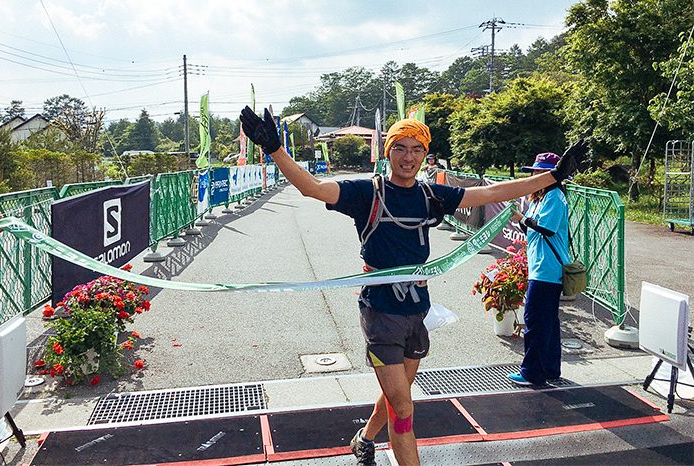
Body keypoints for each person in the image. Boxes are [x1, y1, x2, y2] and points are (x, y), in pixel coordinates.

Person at [239, 106, 586, 466]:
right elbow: (312, 188)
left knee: (397, 394)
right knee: (404, 409)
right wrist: (275, 149)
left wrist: (554, 177)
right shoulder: (366, 193)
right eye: (400, 148)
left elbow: (491, 192)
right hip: (380, 314)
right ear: (388, 151)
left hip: (417, 311)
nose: (408, 157)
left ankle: (363, 438)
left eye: (416, 149)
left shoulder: (430, 196)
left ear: (425, 155)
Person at [509, 152, 571, 387]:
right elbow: (534, 231)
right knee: (548, 322)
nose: (534, 176)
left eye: (538, 172)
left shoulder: (554, 196)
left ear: (549, 175)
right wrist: (523, 221)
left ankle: (532, 373)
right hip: (541, 267)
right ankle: (550, 369)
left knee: (535, 321)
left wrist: (521, 218)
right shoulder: (542, 197)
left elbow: (546, 228)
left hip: (547, 270)